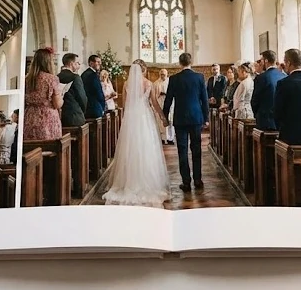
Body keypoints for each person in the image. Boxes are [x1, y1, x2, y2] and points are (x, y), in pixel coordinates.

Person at [86, 59, 170, 207]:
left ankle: (128, 182)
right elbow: (154, 103)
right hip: (144, 117)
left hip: (131, 118)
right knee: (146, 148)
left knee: (130, 148)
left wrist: (126, 119)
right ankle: (146, 181)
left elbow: (124, 105)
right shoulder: (148, 84)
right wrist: (163, 117)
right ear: (144, 70)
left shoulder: (126, 84)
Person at [163, 52, 210, 192]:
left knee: (182, 150)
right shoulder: (199, 77)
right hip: (196, 117)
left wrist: (165, 117)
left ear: (180, 63)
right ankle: (198, 180)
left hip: (180, 119)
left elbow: (168, 100)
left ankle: (186, 182)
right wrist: (206, 118)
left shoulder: (174, 79)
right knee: (196, 149)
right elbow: (205, 100)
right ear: (191, 62)